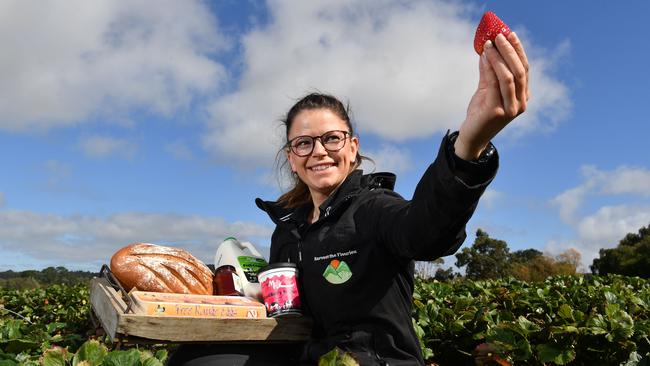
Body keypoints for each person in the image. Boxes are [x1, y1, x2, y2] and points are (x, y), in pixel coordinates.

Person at [168, 31, 528, 366]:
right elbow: (294, 311)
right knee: (194, 356)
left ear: (352, 148)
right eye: (304, 143)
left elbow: (426, 230)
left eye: (332, 139)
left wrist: (468, 147)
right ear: (292, 158)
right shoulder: (288, 231)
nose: (319, 151)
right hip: (309, 357)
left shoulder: (373, 208)